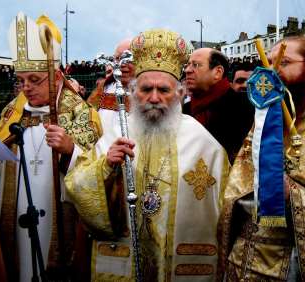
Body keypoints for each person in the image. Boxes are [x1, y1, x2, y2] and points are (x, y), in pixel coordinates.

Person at [65, 29, 229, 281]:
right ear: (133, 91)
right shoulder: (117, 130)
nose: (154, 98)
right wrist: (105, 166)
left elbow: (225, 214)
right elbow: (77, 185)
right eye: (146, 89)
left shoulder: (204, 144)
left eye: (163, 89)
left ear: (179, 93)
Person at [0, 12, 101, 281]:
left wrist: (71, 151)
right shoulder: (11, 112)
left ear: (57, 76)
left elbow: (98, 171)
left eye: (35, 80)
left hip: (59, 219)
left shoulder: (81, 114)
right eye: (21, 80)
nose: (26, 88)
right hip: (13, 219)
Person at [217, 36, 305, 281]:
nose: (272, 71)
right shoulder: (265, 121)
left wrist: (292, 193)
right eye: (269, 62)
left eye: (284, 62)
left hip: (291, 263)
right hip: (243, 259)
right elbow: (238, 184)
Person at [185, 48, 254, 163]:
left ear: (217, 72)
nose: (187, 70)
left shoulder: (245, 108)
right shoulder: (184, 110)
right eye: (187, 65)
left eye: (196, 65)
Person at [87, 38, 135, 111]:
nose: (121, 64)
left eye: (127, 58)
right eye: (118, 58)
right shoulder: (102, 89)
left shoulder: (150, 91)